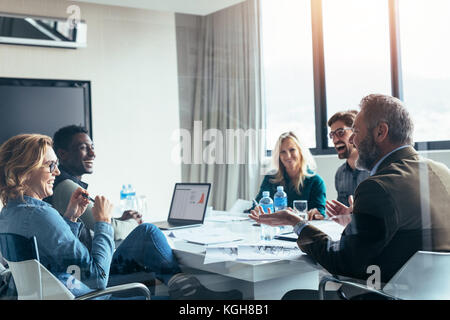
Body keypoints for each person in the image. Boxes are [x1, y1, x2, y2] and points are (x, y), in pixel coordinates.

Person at [250, 94, 450, 299]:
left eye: (356, 131)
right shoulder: (443, 172)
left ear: (381, 131)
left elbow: (342, 262)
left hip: (383, 294)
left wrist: (297, 224)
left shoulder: (378, 187)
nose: (352, 140)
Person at [0, 134, 242, 300]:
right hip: (89, 292)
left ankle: (185, 287)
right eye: (50, 165)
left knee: (147, 232)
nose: (58, 171)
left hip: (65, 286)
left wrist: (71, 218)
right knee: (149, 236)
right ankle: (189, 294)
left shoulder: (10, 212)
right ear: (24, 171)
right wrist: (104, 222)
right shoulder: (41, 214)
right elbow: (97, 278)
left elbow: (54, 259)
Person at [44, 125, 140, 251]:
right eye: (83, 148)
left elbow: (100, 221)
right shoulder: (65, 187)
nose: (92, 154)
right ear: (62, 154)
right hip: (84, 266)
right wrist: (134, 222)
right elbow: (114, 231)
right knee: (149, 230)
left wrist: (120, 220)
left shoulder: (66, 183)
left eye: (92, 147)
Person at [253, 131, 327, 220]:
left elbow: (320, 211)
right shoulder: (270, 179)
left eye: (292, 150)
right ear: (278, 156)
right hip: (274, 228)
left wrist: (316, 213)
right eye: (283, 152)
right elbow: (257, 204)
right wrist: (256, 209)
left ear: (300, 151)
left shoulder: (316, 182)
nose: (288, 156)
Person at [327, 110, 369, 208]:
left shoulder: (374, 169)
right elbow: (342, 211)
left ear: (356, 132)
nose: (335, 140)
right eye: (332, 135)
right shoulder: (340, 173)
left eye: (341, 132)